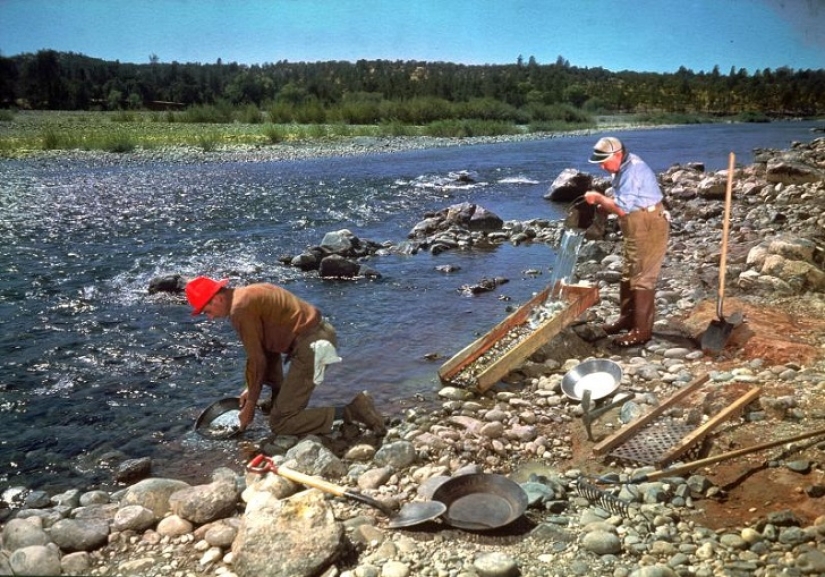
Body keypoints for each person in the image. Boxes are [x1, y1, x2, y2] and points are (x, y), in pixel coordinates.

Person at [185, 276, 386, 436]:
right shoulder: (250, 292)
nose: (210, 317)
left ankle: (354, 411)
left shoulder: (240, 310)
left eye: (207, 310)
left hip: (312, 349)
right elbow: (266, 351)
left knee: (280, 423)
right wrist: (251, 388)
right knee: (275, 396)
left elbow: (258, 361)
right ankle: (281, 403)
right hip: (322, 335)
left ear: (218, 298)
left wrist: (250, 407)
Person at [582, 137, 670, 347]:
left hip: (648, 222)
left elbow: (622, 208)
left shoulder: (633, 170)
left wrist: (601, 199)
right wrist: (606, 206)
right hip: (635, 222)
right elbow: (624, 204)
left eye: (604, 162)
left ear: (619, 155)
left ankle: (641, 331)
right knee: (629, 271)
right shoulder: (623, 166)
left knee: (642, 276)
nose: (602, 167)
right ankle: (627, 319)